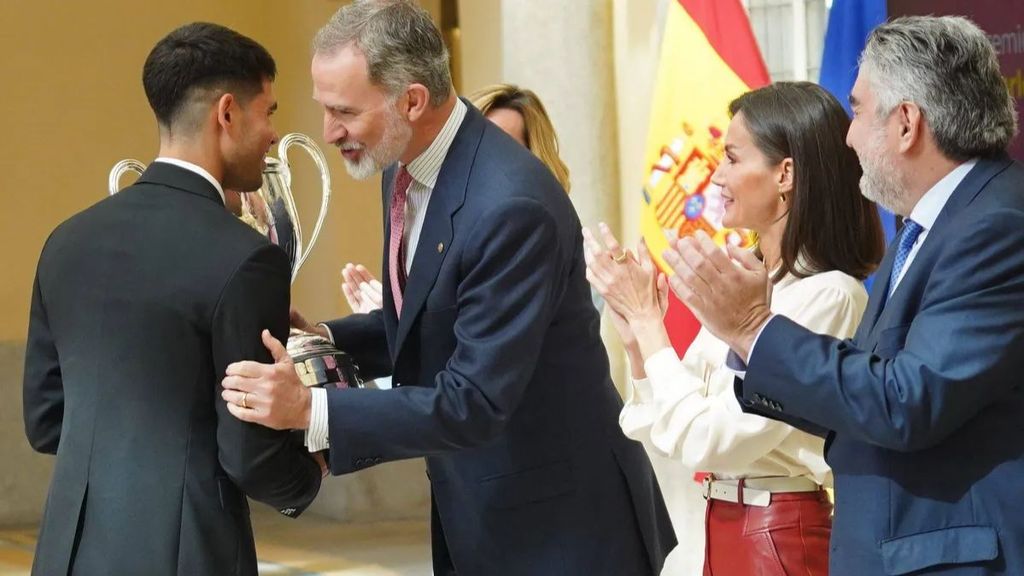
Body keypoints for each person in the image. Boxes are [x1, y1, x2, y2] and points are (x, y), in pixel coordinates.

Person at [219, 2, 675, 574]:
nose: (328, 132)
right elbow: (429, 320)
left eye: (343, 112)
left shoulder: (511, 206)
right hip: (480, 506)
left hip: (561, 528)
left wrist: (311, 409)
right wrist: (322, 338)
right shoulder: (403, 164)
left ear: (411, 101)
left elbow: (473, 402)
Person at [665, 16, 1024, 575]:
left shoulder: (995, 226)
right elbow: (872, 393)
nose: (848, 137)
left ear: (906, 123)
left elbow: (909, 401)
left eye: (855, 111)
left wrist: (755, 329)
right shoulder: (932, 225)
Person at [23, 23, 324, 576]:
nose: (273, 135)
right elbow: (248, 452)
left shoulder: (66, 241)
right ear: (227, 113)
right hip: (186, 553)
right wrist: (313, 469)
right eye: (270, 112)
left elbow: (45, 421)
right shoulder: (246, 257)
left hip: (68, 552)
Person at [584, 82, 884, 575]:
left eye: (731, 158)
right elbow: (669, 432)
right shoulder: (751, 279)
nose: (716, 176)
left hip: (779, 535)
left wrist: (647, 323)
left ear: (785, 173)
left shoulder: (828, 294)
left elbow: (710, 439)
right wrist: (640, 339)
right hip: (721, 526)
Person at [338, 82, 573, 314]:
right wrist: (389, 319)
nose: (489, 154)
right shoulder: (436, 217)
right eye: (480, 144)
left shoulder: (529, 229)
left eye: (503, 146)